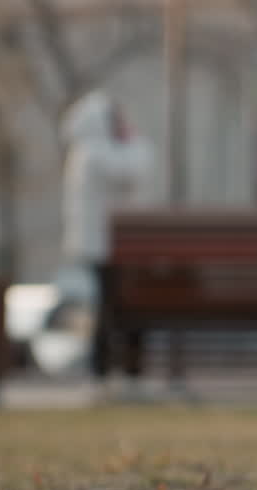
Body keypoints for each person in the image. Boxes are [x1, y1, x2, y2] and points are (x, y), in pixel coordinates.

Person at [53, 88, 154, 399]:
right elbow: (133, 168)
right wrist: (132, 138)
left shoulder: (86, 152)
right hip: (107, 247)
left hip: (110, 246)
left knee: (113, 308)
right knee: (113, 309)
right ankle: (109, 373)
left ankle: (114, 373)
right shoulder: (94, 153)